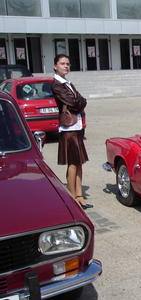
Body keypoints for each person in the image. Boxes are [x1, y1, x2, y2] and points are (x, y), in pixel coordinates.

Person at [52, 54, 92, 209]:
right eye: (62, 64)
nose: (66, 66)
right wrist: (79, 102)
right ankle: (71, 197)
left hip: (77, 126)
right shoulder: (56, 84)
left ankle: (79, 195)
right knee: (73, 162)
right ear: (55, 66)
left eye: (68, 63)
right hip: (68, 129)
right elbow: (74, 102)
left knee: (79, 162)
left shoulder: (68, 83)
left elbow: (82, 101)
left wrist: (79, 102)